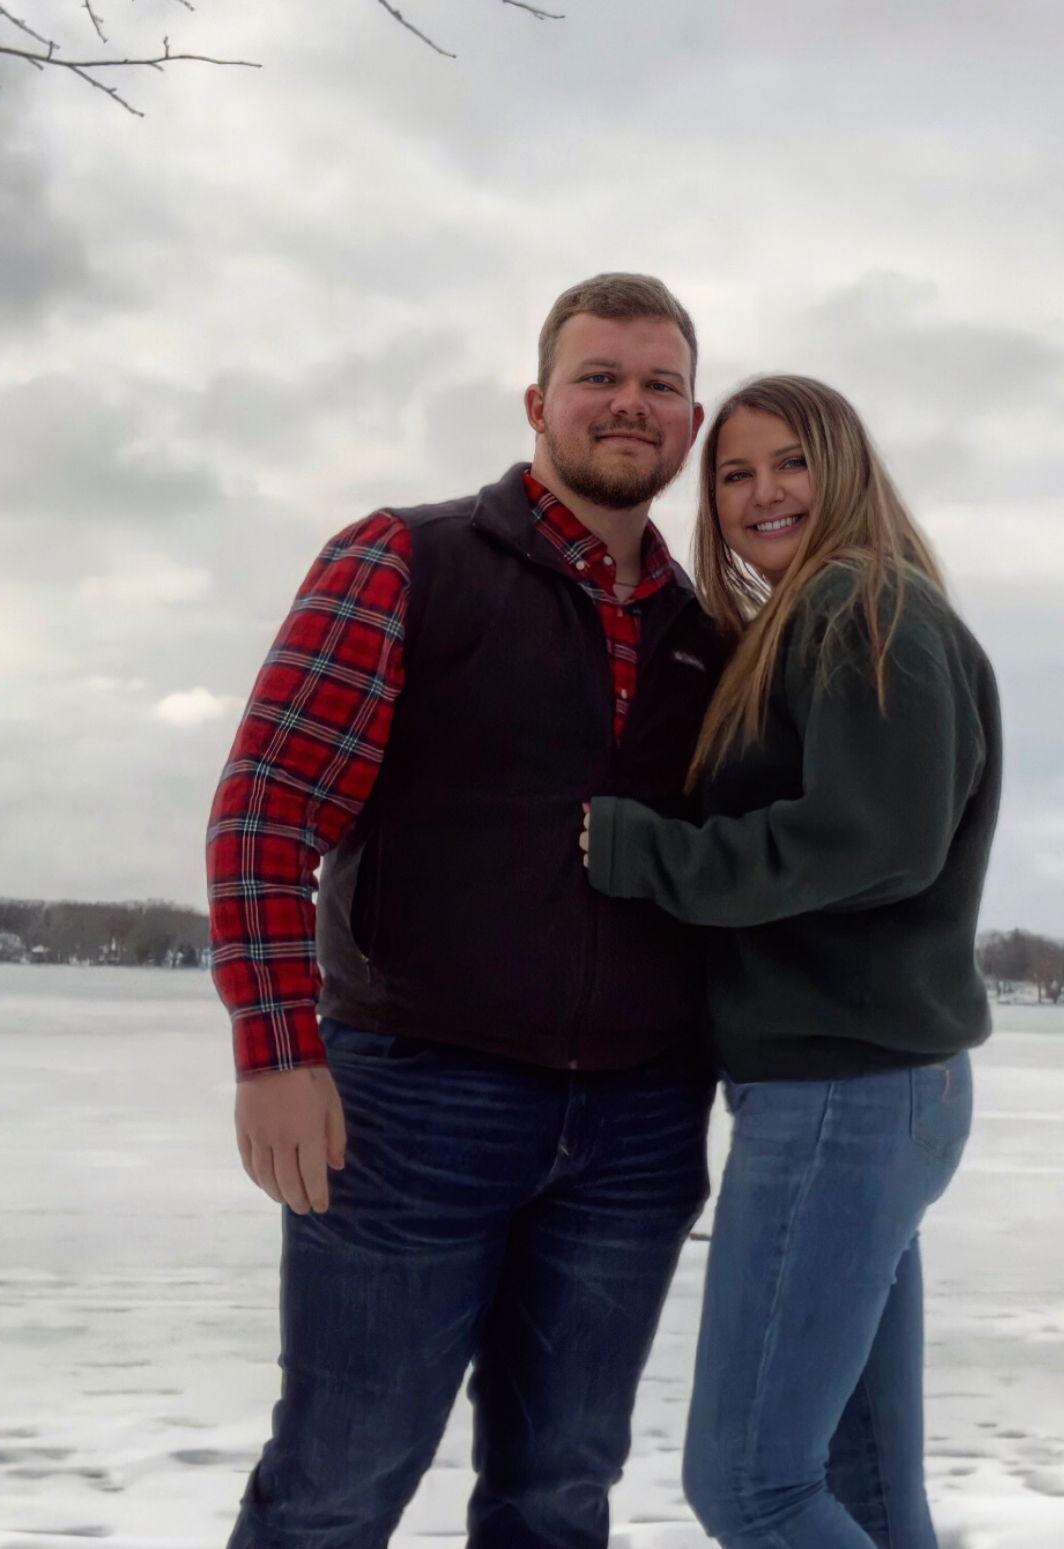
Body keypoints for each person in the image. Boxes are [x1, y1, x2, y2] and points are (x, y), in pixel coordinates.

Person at [205, 273, 728, 1549]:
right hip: (415, 1104)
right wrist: (278, 1052)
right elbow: (267, 811)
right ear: (539, 401)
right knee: (335, 1481)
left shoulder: (710, 636)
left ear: (692, 419)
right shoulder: (407, 560)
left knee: (558, 1493)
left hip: (637, 1123)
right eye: (600, 376)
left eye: (659, 383)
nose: (629, 403)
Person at [581, 374, 1002, 1549]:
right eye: (733, 473)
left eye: (790, 462)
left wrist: (644, 851)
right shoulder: (826, 617)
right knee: (860, 1486)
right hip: (865, 1088)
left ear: (846, 470)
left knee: (754, 1484)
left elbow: (871, 841)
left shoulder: (862, 605)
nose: (762, 492)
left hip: (844, 1093)